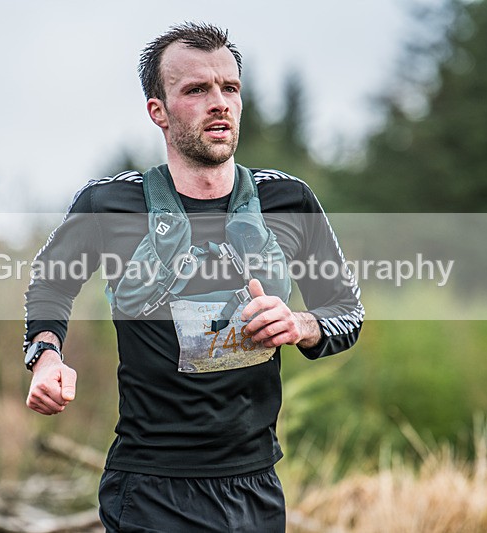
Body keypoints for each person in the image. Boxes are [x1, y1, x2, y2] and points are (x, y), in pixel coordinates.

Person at [23, 22, 364, 532]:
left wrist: (300, 325)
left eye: (230, 87)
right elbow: (50, 283)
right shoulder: (109, 204)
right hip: (151, 488)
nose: (219, 102)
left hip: (255, 488)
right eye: (197, 90)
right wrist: (46, 356)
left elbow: (347, 311)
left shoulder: (288, 200)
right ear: (158, 111)